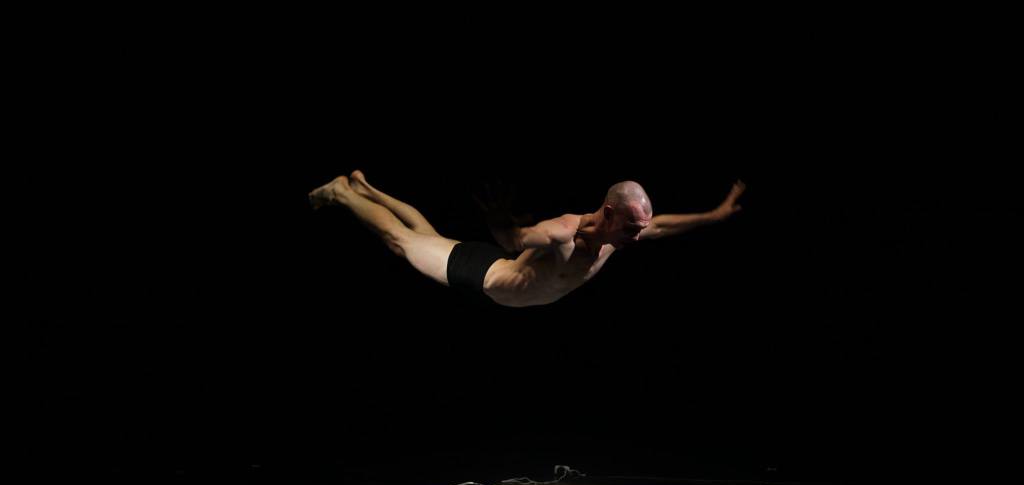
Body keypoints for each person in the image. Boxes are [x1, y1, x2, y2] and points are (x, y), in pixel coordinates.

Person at [309, 171, 745, 307]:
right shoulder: (564, 234)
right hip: (484, 276)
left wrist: (715, 215)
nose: (640, 234)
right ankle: (343, 192)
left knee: (428, 236)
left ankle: (366, 188)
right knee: (400, 240)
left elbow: (664, 225)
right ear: (610, 213)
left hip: (495, 267)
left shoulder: (618, 236)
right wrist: (501, 224)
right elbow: (515, 240)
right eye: (633, 227)